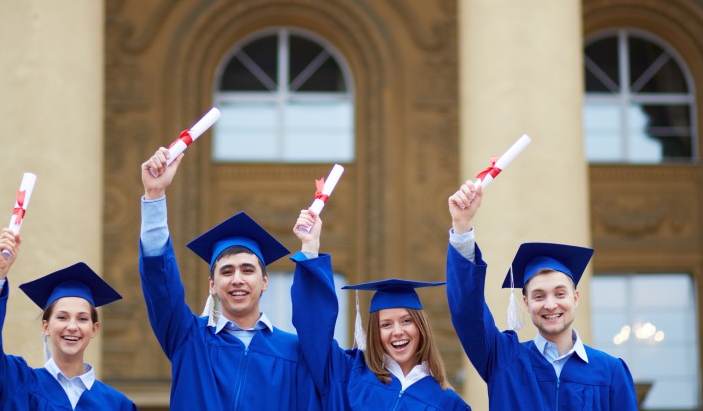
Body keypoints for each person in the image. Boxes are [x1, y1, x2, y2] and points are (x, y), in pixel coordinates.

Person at [138, 147, 321, 410]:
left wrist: (311, 248)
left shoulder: (292, 352)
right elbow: (159, 283)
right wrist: (155, 194)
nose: (237, 279)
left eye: (247, 270)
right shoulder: (190, 340)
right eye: (226, 271)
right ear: (212, 285)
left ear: (265, 281)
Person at [445, 180, 639, 411]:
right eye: (538, 296)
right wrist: (462, 225)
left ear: (575, 298)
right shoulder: (504, 360)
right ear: (526, 303)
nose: (550, 304)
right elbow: (468, 312)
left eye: (560, 293)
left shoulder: (610, 372)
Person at [290, 209, 471, 411]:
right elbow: (314, 329)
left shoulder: (447, 403)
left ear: (421, 327)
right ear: (376, 333)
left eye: (406, 321)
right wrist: (310, 246)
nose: (397, 331)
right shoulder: (350, 374)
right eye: (386, 324)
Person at [0, 228, 137, 411]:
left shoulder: (117, 405)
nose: (72, 326)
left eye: (82, 319)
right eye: (62, 317)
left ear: (94, 329)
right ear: (46, 327)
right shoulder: (16, 385)